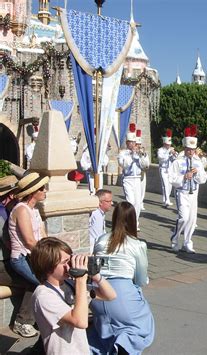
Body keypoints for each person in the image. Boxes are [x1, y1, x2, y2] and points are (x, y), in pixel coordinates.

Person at [30, 238, 116, 354]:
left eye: (70, 259)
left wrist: (95, 274)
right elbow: (80, 322)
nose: (70, 265)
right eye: (65, 262)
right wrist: (80, 280)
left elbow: (110, 295)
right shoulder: (43, 295)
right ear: (48, 267)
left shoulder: (68, 284)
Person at [89, 201, 154, 354]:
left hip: (97, 292)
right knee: (142, 324)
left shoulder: (101, 240)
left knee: (102, 330)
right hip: (122, 292)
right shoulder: (137, 245)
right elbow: (141, 279)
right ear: (133, 220)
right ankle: (124, 345)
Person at [0, 175, 38, 337]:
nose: (18, 198)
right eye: (16, 195)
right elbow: (9, 244)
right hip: (2, 264)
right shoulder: (2, 216)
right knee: (37, 282)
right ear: (9, 196)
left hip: (9, 261)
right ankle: (22, 321)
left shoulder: (8, 212)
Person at [169, 125, 207, 253]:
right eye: (188, 149)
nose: (190, 152)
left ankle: (187, 242)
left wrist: (197, 174)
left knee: (192, 219)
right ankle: (175, 238)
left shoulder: (198, 162)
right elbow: (172, 178)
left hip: (194, 193)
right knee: (183, 218)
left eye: (193, 149)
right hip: (182, 192)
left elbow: (203, 179)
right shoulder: (177, 162)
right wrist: (184, 177)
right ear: (184, 148)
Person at [8, 172, 49, 286]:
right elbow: (29, 241)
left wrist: (53, 249)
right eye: (41, 188)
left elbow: (43, 235)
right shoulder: (21, 210)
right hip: (22, 258)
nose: (45, 190)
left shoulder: (34, 210)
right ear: (32, 193)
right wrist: (49, 256)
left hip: (34, 255)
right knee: (46, 285)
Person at [118, 123, 150, 230]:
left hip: (137, 179)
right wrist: (131, 155)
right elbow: (124, 165)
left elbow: (146, 166)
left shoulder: (139, 153)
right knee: (130, 201)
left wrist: (142, 156)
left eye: (134, 142)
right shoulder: (123, 153)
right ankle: (127, 221)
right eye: (130, 142)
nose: (132, 144)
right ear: (127, 143)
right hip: (128, 179)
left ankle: (135, 222)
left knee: (137, 203)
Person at [157, 129, 177, 208]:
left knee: (169, 185)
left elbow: (175, 159)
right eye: (167, 144)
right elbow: (161, 158)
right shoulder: (160, 150)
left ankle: (165, 199)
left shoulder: (170, 150)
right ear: (164, 144)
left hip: (170, 169)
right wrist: (168, 153)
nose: (169, 146)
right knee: (165, 185)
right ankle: (167, 200)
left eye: (169, 144)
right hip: (163, 169)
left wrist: (174, 154)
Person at [135, 130, 149, 211]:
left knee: (142, 189)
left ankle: (141, 203)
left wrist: (142, 155)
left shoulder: (144, 154)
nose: (139, 146)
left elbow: (147, 164)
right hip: (134, 175)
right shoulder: (131, 153)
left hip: (142, 173)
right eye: (137, 145)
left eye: (139, 144)